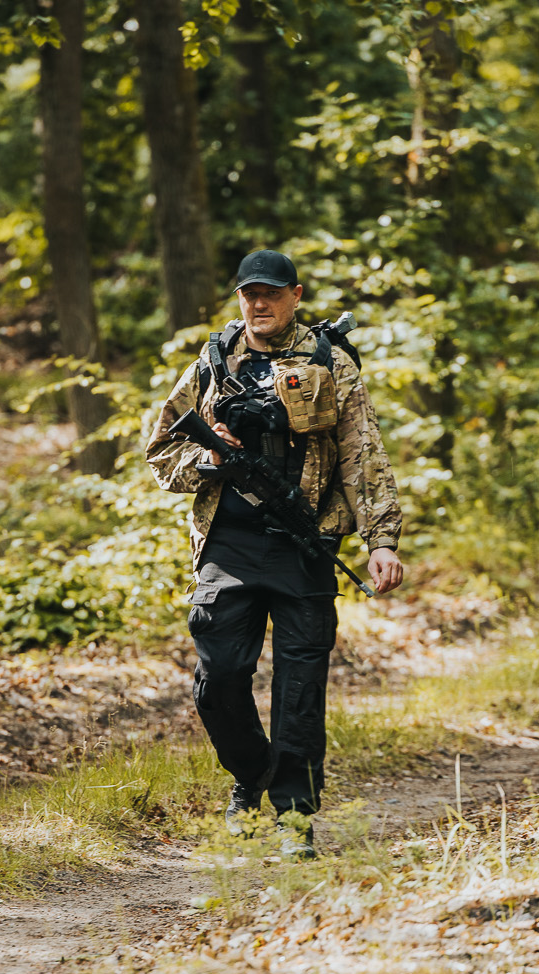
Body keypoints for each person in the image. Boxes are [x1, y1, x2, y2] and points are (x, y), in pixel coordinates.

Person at [144, 250, 404, 854]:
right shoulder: (213, 361)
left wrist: (381, 539)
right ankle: (250, 775)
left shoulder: (331, 361)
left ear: (296, 294)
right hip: (227, 547)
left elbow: (363, 455)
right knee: (220, 679)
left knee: (300, 690)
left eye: (270, 293)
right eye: (248, 294)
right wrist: (208, 459)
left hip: (305, 543)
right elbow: (160, 453)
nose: (258, 304)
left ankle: (294, 818)